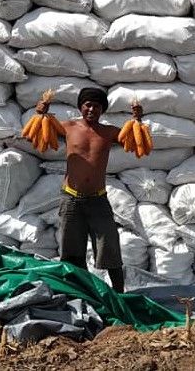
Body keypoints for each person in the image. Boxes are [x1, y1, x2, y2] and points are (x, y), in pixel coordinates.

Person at [33, 87, 142, 293]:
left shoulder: (109, 132)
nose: (91, 109)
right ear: (80, 107)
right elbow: (39, 133)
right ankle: (77, 292)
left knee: (110, 247)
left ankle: (120, 294)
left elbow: (134, 142)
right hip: (71, 199)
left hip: (98, 200)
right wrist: (41, 114)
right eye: (88, 105)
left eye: (97, 106)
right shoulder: (68, 127)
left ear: (102, 110)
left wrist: (137, 121)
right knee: (72, 251)